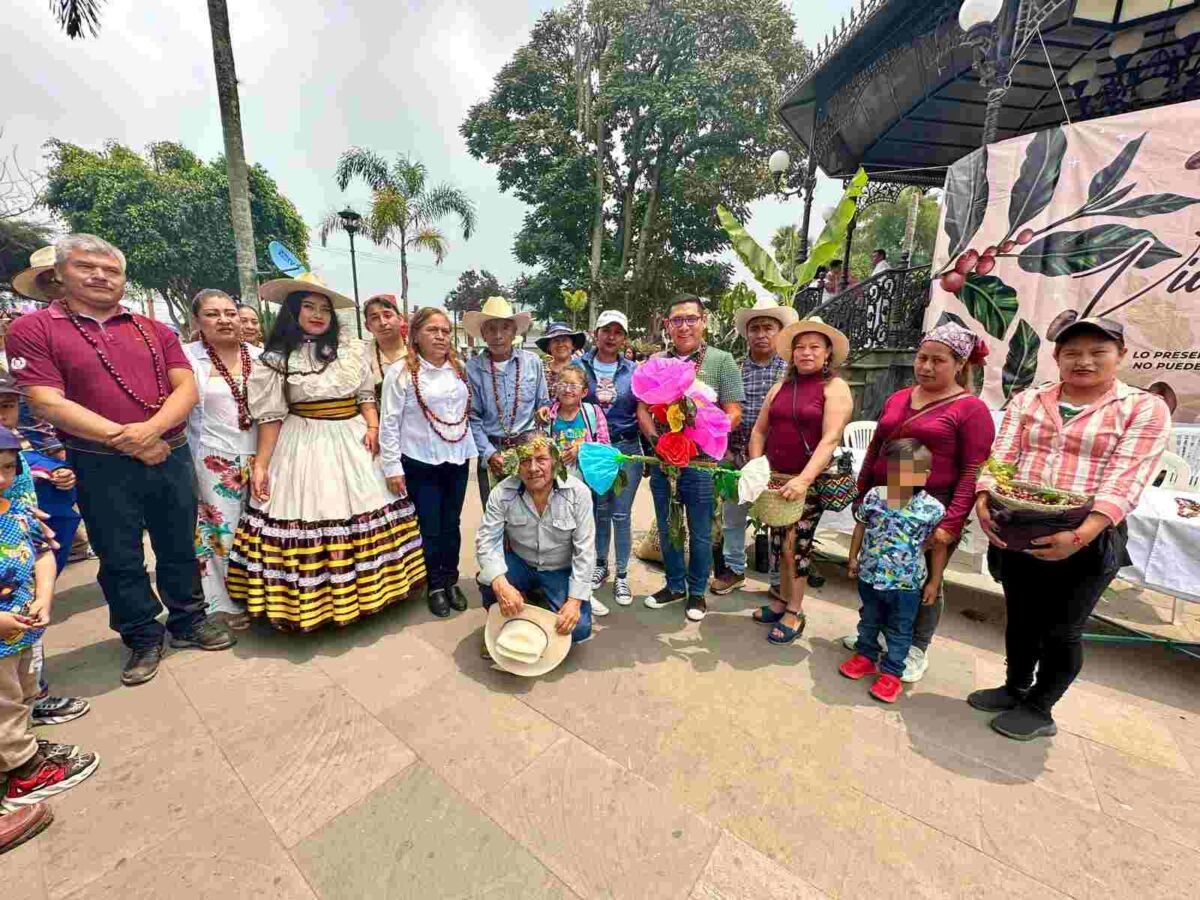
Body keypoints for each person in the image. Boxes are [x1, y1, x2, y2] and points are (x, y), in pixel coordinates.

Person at [6, 234, 233, 687]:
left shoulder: (154, 329)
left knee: (178, 542)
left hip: (169, 451)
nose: (99, 276)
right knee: (119, 554)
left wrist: (152, 432)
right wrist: (123, 438)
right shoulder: (35, 329)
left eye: (111, 270)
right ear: (59, 275)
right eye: (87, 267)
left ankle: (188, 620)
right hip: (98, 460)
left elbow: (185, 387)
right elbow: (45, 401)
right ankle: (141, 635)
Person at [972, 315, 1169, 741]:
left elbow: (1127, 477)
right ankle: (1014, 687)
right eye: (1072, 352)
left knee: (1063, 628)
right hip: (1019, 522)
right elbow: (1002, 455)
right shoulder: (1030, 400)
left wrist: (1081, 534)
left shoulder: (1142, 408)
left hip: (1087, 533)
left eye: (1098, 352)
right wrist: (984, 498)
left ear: (1120, 356)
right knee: (1022, 617)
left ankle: (1041, 707)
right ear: (1057, 357)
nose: (1084, 361)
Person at [227, 274, 426, 632]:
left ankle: (371, 594)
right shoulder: (275, 358)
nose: (318, 315)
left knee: (367, 510)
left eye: (324, 309)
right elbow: (271, 416)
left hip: (353, 438)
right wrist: (262, 464)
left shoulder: (350, 350)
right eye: (309, 307)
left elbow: (365, 394)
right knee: (312, 513)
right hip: (303, 442)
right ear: (293, 312)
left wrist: (373, 426)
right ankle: (311, 605)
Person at [839, 321, 995, 681]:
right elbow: (876, 447)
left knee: (921, 581)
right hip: (883, 502)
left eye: (937, 360)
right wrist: (861, 492)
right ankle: (873, 637)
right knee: (879, 571)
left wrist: (951, 524)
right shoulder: (898, 398)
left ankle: (915, 647)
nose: (926, 366)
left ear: (960, 364)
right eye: (922, 358)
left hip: (930, 510)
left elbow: (973, 469)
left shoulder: (971, 410)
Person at [0, 429, 100, 812]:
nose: (3, 478)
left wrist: (43, 596)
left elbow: (42, 553)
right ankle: (25, 775)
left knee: (23, 693)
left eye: (8, 468)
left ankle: (18, 748)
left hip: (24, 630)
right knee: (5, 704)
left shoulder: (19, 511)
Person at [638, 295, 744, 622]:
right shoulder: (656, 360)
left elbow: (734, 411)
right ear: (667, 326)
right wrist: (659, 443)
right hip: (663, 462)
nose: (684, 326)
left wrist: (701, 430)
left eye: (691, 319)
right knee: (669, 526)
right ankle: (673, 585)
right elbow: (642, 408)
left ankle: (696, 592)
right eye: (677, 320)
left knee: (700, 531)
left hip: (700, 464)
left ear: (704, 321)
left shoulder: (722, 360)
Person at [747, 317, 854, 644]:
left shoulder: (835, 388)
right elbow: (759, 430)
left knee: (797, 545)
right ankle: (780, 599)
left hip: (808, 483)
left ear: (827, 354)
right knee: (780, 543)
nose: (806, 353)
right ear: (792, 354)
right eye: (800, 347)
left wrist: (805, 480)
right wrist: (756, 469)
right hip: (775, 480)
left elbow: (830, 439)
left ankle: (795, 609)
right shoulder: (780, 387)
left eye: (814, 347)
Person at [380, 307, 475, 619]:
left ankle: (451, 579)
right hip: (421, 460)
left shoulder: (458, 367)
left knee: (453, 524)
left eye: (445, 331)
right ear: (415, 336)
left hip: (457, 456)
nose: (440, 336)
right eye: (432, 330)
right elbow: (389, 422)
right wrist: (392, 466)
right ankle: (435, 584)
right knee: (430, 527)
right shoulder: (401, 372)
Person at [839, 438, 948, 703]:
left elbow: (938, 549)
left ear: (924, 475)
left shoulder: (932, 509)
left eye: (908, 471)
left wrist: (934, 581)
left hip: (905, 585)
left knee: (900, 629)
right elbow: (861, 526)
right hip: (870, 576)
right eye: (894, 469)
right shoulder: (875, 496)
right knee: (868, 619)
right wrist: (853, 557)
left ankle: (891, 673)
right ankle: (865, 656)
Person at [184, 289, 262, 632]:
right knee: (220, 530)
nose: (225, 320)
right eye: (213, 314)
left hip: (261, 454)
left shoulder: (260, 357)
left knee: (258, 527)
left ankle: (260, 594)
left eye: (230, 313)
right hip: (213, 457)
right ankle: (223, 600)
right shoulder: (187, 359)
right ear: (198, 321)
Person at [711, 297, 797, 597]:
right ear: (746, 334)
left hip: (775, 460)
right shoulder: (734, 369)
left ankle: (776, 581)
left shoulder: (790, 371)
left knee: (776, 521)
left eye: (768, 328)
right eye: (755, 328)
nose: (761, 334)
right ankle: (735, 570)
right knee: (733, 516)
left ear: (779, 332)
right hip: (736, 455)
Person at [475, 432, 595, 648]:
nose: (532, 468)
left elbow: (585, 551)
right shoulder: (502, 493)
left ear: (555, 461)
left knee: (579, 629)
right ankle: (504, 617)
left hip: (560, 569)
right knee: (488, 580)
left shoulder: (579, 493)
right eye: (525, 461)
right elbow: (486, 541)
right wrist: (501, 585)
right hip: (522, 563)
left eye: (541, 459)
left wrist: (575, 602)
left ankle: (538, 600)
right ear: (516, 465)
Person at [580, 310, 641, 607]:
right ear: (596, 333)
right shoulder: (581, 367)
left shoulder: (634, 370)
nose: (611, 337)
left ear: (624, 338)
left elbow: (643, 409)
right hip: (594, 451)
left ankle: (622, 575)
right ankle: (600, 564)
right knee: (599, 511)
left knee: (621, 514)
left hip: (626, 449)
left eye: (618, 332)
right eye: (606, 330)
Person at [465, 297, 549, 506]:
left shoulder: (532, 363)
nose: (498, 335)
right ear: (483, 334)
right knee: (496, 521)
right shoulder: (473, 368)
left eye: (505, 328)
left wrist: (545, 411)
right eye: (491, 329)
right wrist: (490, 454)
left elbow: (544, 402)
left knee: (531, 517)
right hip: (492, 451)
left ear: (514, 332)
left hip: (528, 451)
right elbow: (472, 418)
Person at [364, 294, 407, 402]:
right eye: (375, 318)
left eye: (388, 316)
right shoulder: (362, 357)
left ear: (401, 319)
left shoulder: (419, 350)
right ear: (367, 326)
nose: (383, 322)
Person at [536, 322, 587, 398]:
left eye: (564, 340)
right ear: (549, 347)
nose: (560, 344)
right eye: (556, 341)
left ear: (573, 345)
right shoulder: (540, 369)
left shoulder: (582, 368)